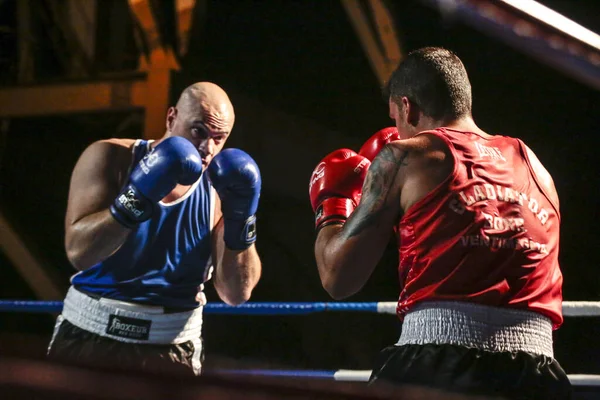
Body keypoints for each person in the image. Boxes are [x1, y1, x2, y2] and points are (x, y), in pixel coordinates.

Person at [309, 47, 571, 399]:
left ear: (407, 107)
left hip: (439, 364)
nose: (397, 131)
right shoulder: (534, 164)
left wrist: (334, 205)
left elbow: (337, 279)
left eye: (396, 119)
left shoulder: (405, 156)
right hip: (539, 373)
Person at [47, 81, 262, 376]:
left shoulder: (220, 189)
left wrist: (242, 219)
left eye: (219, 137)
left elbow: (236, 294)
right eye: (198, 130)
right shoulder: (112, 157)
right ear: (171, 118)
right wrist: (135, 197)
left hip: (171, 347)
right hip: (89, 333)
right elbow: (79, 254)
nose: (207, 148)